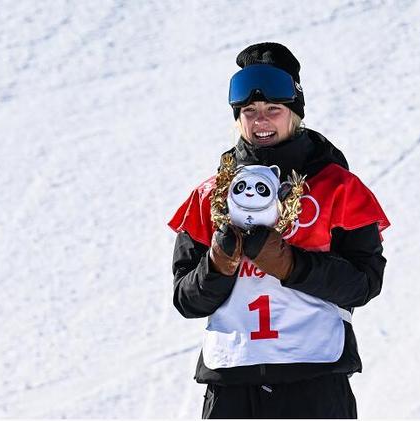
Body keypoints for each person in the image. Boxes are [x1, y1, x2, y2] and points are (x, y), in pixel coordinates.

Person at [167, 42, 390, 419]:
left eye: (274, 110)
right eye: (249, 112)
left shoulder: (338, 188)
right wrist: (218, 265)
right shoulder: (211, 196)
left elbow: (364, 283)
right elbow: (187, 300)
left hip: (314, 378)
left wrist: (290, 266)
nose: (261, 121)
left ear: (295, 114)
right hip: (232, 383)